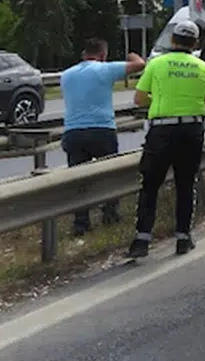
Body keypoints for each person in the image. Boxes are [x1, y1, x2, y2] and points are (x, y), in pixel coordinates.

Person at [127, 18, 205, 258]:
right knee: (185, 184)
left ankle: (142, 240)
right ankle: (183, 238)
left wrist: (158, 100)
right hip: (191, 130)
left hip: (161, 131)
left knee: (150, 185)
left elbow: (139, 99)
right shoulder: (203, 67)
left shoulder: (156, 65)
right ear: (195, 42)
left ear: (173, 39)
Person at [60, 38, 146, 236]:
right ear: (103, 55)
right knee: (109, 174)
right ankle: (110, 214)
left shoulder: (66, 75)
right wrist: (131, 54)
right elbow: (140, 64)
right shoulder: (105, 69)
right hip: (101, 130)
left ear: (83, 54)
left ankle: (81, 223)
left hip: (73, 132)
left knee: (79, 179)